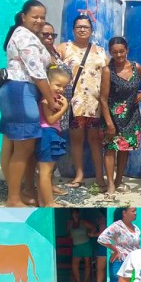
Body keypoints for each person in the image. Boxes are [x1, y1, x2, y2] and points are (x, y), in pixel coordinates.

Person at [0, 0, 60, 207]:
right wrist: (51, 100)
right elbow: (37, 72)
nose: (40, 21)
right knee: (23, 149)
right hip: (21, 91)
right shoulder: (24, 37)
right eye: (35, 17)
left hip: (19, 91)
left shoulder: (28, 36)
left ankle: (18, 194)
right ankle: (13, 199)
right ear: (24, 17)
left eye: (43, 17)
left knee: (17, 147)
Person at [57, 14, 109, 191]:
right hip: (74, 102)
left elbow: (108, 76)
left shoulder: (100, 51)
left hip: (95, 104)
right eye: (78, 26)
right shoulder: (64, 48)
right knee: (76, 139)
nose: (82, 29)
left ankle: (99, 176)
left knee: (95, 140)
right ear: (73, 29)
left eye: (86, 27)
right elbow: (50, 68)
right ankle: (79, 175)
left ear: (91, 30)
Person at [99, 36, 141, 199]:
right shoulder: (107, 71)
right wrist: (109, 123)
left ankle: (119, 180)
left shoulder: (136, 67)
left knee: (124, 150)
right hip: (112, 116)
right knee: (110, 149)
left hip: (131, 116)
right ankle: (111, 185)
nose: (119, 55)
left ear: (127, 50)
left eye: (121, 51)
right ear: (110, 53)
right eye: (114, 52)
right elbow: (103, 99)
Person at [35, 66, 71, 207]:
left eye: (64, 87)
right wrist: (64, 108)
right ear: (47, 83)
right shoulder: (46, 101)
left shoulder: (51, 100)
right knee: (46, 172)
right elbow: (50, 120)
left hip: (49, 134)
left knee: (44, 172)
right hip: (47, 134)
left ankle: (41, 199)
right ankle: (49, 203)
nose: (61, 89)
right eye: (58, 85)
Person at [97, 207, 141, 282]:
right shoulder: (117, 226)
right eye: (133, 211)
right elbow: (102, 238)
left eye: (136, 211)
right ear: (124, 213)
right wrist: (116, 250)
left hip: (133, 263)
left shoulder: (136, 228)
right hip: (120, 262)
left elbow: (136, 246)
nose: (135, 213)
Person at [67, 208, 95, 282]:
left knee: (87, 264)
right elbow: (68, 233)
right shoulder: (69, 223)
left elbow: (93, 227)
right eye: (73, 213)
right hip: (76, 245)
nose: (75, 215)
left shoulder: (83, 222)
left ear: (79, 214)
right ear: (71, 214)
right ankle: (78, 281)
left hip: (86, 244)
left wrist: (91, 233)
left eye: (76, 213)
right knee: (74, 265)